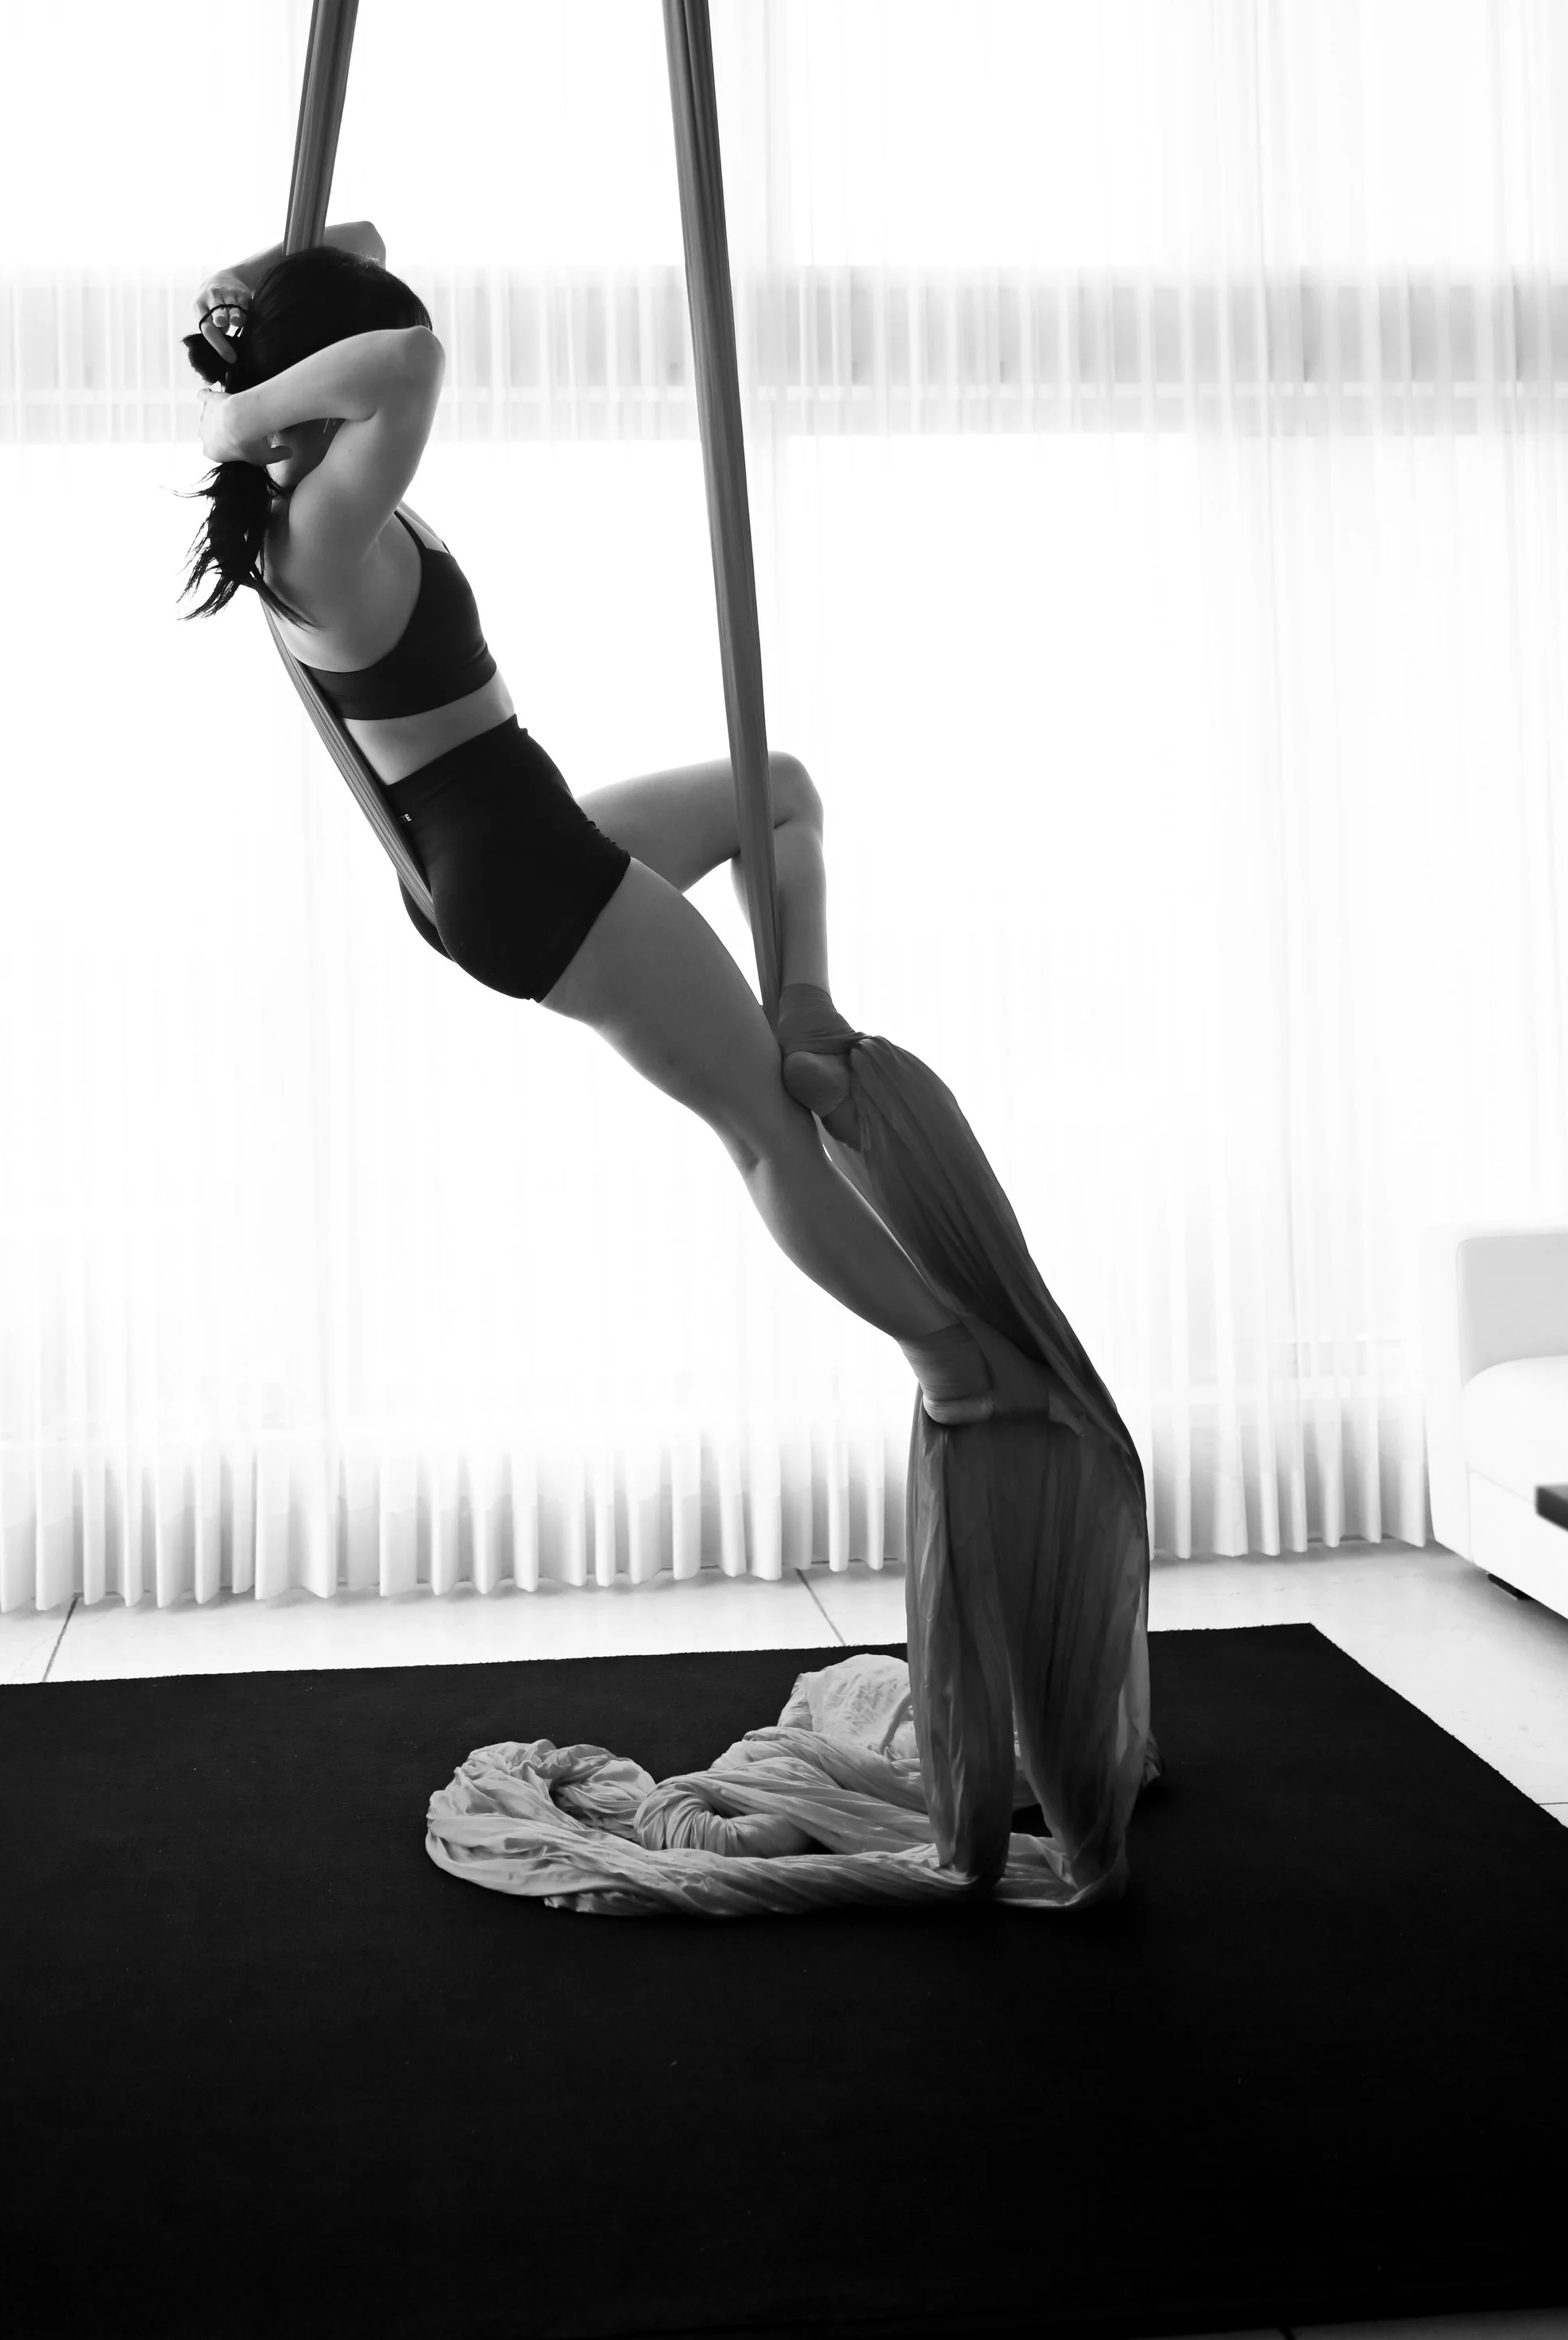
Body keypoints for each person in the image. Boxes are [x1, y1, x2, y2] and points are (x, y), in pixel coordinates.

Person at [182, 228, 1157, 1904]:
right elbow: (406, 351)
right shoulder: (323, 511)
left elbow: (367, 282)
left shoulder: (302, 497)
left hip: (500, 827)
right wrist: (243, 397)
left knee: (776, 789)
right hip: (514, 867)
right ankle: (949, 1364)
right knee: (761, 1133)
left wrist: (295, 294)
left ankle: (808, 1009)